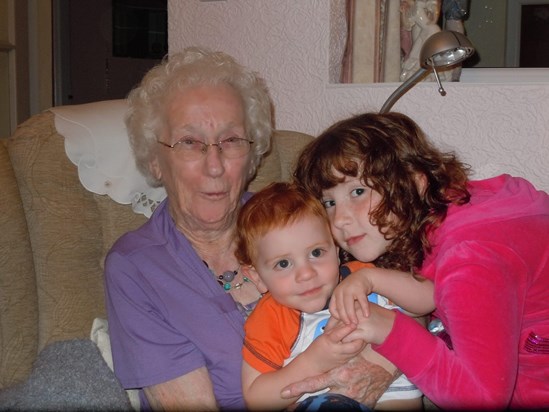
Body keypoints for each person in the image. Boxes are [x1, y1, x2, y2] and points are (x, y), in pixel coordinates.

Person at [104, 48, 398, 411]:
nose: (214, 166)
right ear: (155, 159)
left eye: (231, 141)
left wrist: (383, 368)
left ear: (252, 153)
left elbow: (402, 290)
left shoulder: (294, 217)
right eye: (190, 143)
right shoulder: (137, 268)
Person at [289, 111, 549, 409]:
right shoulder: (449, 207)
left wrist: (389, 328)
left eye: (358, 191)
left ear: (415, 183)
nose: (341, 219)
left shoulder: (469, 259)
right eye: (330, 202)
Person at [235, 182, 426, 411]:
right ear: (257, 277)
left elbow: (428, 300)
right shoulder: (271, 318)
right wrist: (315, 361)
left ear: (336, 252)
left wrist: (372, 279)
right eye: (283, 263)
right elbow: (257, 400)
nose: (306, 273)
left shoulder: (362, 276)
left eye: (316, 253)